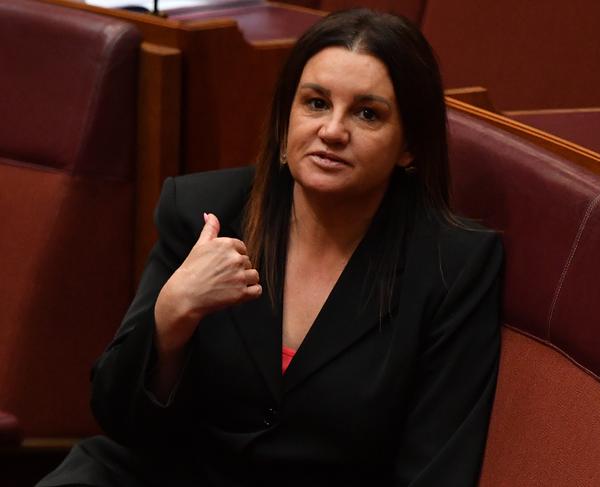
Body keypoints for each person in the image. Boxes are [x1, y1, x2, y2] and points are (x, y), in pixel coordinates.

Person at [38, 8, 502, 487]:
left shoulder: (453, 265)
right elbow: (119, 420)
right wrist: (170, 317)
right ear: (285, 121)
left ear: (409, 146)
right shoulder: (206, 211)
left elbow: (436, 467)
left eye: (368, 113)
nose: (333, 131)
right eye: (316, 103)